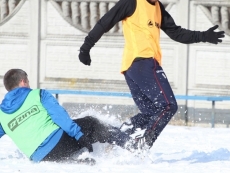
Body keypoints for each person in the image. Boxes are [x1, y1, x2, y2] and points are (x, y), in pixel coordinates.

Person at [78, 0, 225, 149]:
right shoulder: (131, 1)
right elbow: (105, 22)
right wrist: (86, 48)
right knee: (168, 106)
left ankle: (119, 137)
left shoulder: (158, 8)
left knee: (151, 112)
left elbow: (175, 32)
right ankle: (143, 144)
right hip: (142, 63)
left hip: (134, 68)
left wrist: (203, 36)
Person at [0, 69, 134, 164]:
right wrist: (79, 136)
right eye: (28, 81)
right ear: (23, 82)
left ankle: (77, 161)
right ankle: (132, 145)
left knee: (76, 136)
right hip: (59, 144)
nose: (29, 85)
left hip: (38, 158)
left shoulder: (2, 114)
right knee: (91, 122)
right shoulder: (38, 95)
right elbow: (60, 117)